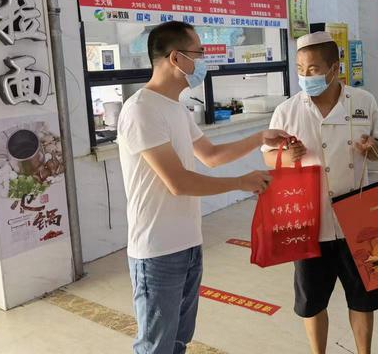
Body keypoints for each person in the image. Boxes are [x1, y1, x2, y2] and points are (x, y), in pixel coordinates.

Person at [117, 21, 289, 354]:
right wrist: (241, 182)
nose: (204, 61)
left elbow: (211, 155)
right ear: (176, 58)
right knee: (156, 346)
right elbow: (178, 182)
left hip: (188, 243)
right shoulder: (141, 110)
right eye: (199, 53)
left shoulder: (176, 108)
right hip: (156, 250)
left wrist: (260, 138)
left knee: (179, 340)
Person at [262, 31, 378, 354]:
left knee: (363, 297)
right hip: (309, 220)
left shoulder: (363, 102)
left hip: (356, 219)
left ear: (335, 69)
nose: (306, 76)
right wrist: (284, 157)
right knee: (312, 301)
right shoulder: (287, 111)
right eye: (300, 69)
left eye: (313, 69)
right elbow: (268, 156)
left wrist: (372, 147)